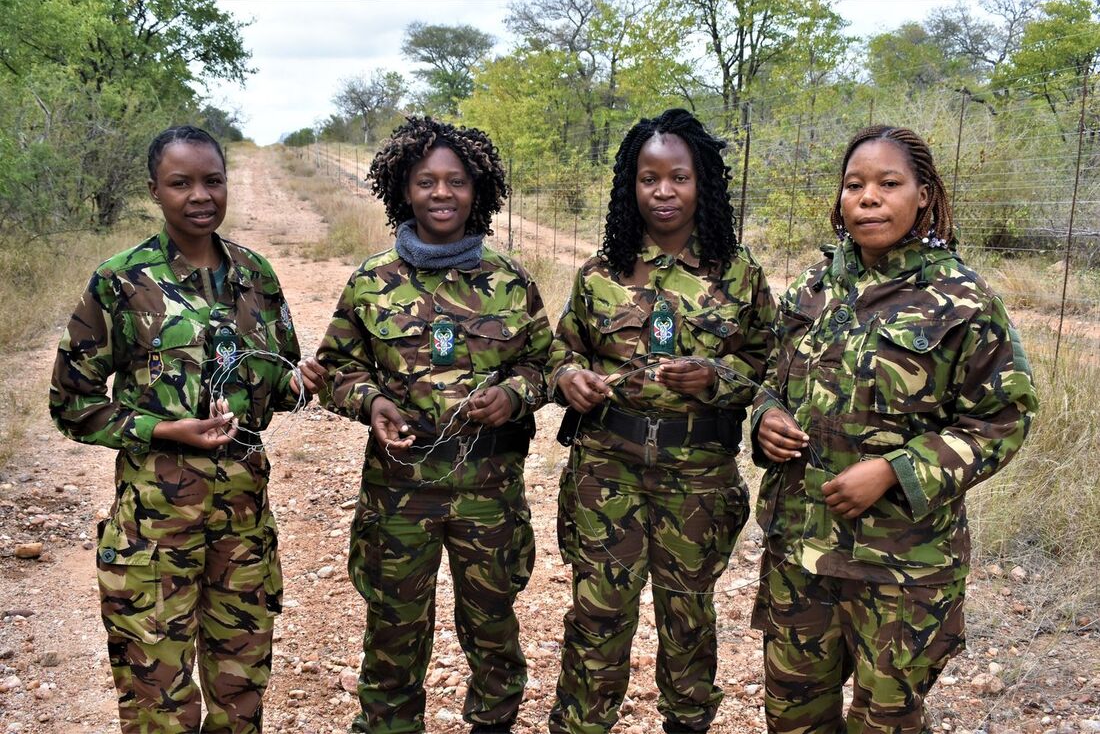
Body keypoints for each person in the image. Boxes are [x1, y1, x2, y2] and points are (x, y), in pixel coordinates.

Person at [751, 125, 1040, 733]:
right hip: (800, 552)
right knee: (792, 716)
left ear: (924, 195)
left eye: (889, 184)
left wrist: (893, 470)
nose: (868, 198)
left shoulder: (959, 299)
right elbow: (772, 381)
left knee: (886, 720)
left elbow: (1003, 418)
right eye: (854, 185)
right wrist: (766, 418)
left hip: (902, 565)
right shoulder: (814, 287)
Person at [50, 125, 320, 733]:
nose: (200, 195)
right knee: (158, 704)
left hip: (243, 525)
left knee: (241, 692)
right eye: (181, 183)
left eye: (212, 180)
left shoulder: (256, 275)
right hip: (154, 529)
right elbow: (72, 402)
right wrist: (166, 430)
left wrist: (302, 382)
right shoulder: (122, 281)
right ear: (155, 190)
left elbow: (275, 385)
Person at [314, 116, 552, 734]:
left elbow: (544, 364)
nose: (441, 194)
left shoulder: (509, 281)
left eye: (456, 181)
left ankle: (493, 724)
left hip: (489, 492)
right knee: (393, 630)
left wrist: (513, 395)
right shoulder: (372, 281)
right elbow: (336, 366)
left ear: (479, 191)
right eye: (426, 182)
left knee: (494, 628)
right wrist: (370, 403)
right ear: (404, 189)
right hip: (399, 493)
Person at [546, 108, 778, 734]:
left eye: (679, 177)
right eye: (649, 179)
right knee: (597, 616)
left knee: (688, 618)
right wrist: (570, 380)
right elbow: (561, 352)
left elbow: (773, 367)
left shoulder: (738, 273)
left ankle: (688, 721)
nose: (664, 192)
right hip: (607, 469)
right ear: (631, 186)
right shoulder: (600, 272)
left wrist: (716, 379)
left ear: (702, 183)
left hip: (698, 474)